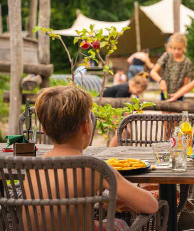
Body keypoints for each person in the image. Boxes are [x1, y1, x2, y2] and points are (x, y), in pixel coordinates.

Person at [29, 85, 158, 230]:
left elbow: (59, 216)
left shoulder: (32, 168)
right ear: (86, 127)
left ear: (44, 130)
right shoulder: (94, 168)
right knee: (119, 224)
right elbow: (151, 205)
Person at [150, 33, 194, 101]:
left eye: (179, 49)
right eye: (174, 48)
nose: (176, 51)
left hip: (179, 95)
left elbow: (185, 85)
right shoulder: (166, 56)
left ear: (184, 46)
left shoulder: (187, 63)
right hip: (165, 93)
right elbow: (153, 72)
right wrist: (161, 81)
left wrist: (176, 95)